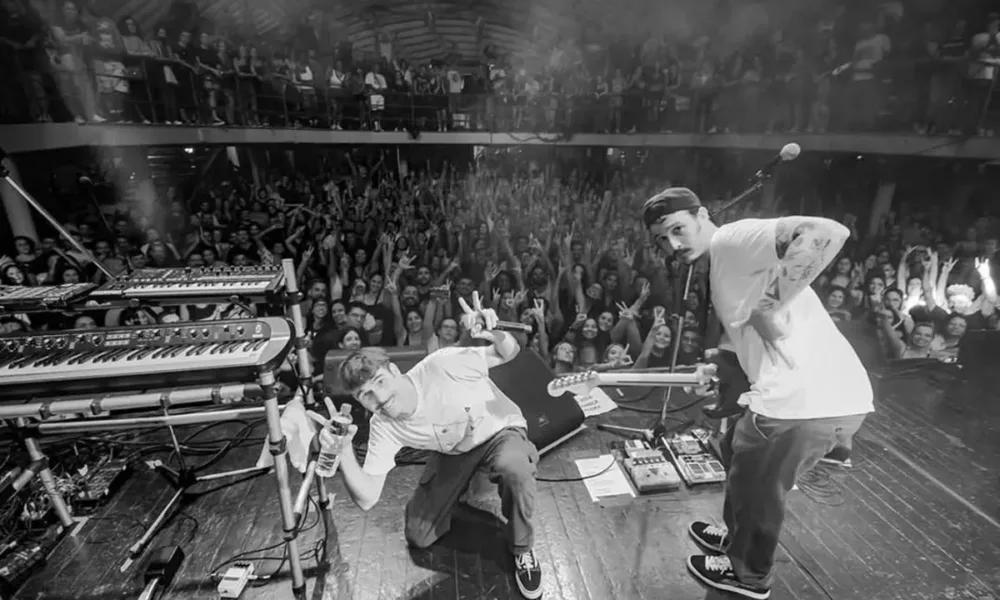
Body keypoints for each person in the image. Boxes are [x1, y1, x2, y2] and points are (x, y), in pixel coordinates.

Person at [642, 187, 873, 600]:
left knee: (759, 485)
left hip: (806, 398)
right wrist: (722, 361)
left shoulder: (732, 239)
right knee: (735, 450)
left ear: (702, 215)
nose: (673, 245)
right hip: (803, 392)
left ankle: (748, 575)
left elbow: (825, 232)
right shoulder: (722, 264)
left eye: (678, 229)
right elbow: (745, 333)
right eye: (662, 239)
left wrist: (771, 305)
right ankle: (737, 537)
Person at [332, 291, 543, 599]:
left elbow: (509, 352)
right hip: (453, 450)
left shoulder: (441, 365)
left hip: (498, 430)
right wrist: (342, 451)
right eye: (365, 395)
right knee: (418, 535)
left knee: (514, 469)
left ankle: (523, 547)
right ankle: (463, 488)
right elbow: (366, 499)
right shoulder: (382, 425)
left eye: (379, 382)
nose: (378, 399)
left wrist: (494, 332)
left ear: (394, 370)